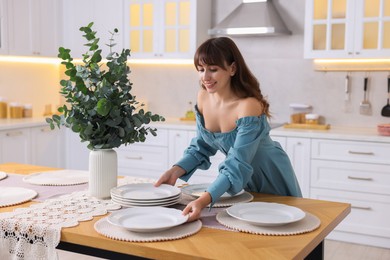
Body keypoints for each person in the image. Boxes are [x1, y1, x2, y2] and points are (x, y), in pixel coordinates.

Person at [155, 37, 302, 222]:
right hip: (242, 177)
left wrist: (204, 200)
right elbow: (202, 146)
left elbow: (237, 162)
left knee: (281, 230)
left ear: (232, 68)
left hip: (271, 176)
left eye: (213, 69)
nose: (205, 77)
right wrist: (175, 170)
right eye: (201, 70)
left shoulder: (248, 106)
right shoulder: (203, 98)